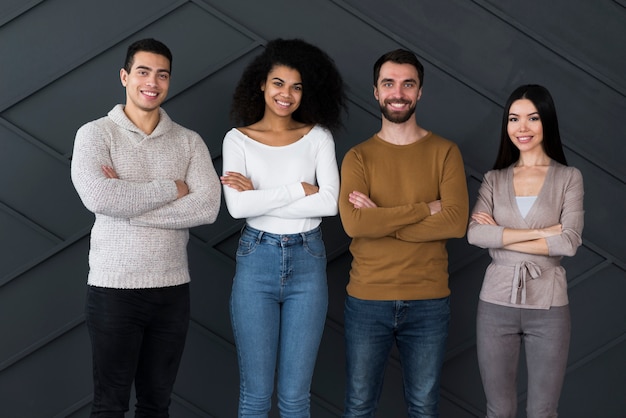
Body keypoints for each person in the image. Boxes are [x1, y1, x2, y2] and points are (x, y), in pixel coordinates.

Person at [70, 38, 221, 417]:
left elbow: (207, 206)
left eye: (162, 74)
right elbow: (98, 197)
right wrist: (173, 188)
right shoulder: (95, 134)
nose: (152, 82)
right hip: (113, 290)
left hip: (172, 292)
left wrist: (128, 203)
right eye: (143, 72)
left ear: (168, 82)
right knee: (110, 405)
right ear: (125, 76)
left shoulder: (189, 142)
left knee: (157, 405)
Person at [339, 49, 469, 417]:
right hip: (367, 300)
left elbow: (456, 222)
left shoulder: (445, 152)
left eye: (408, 84)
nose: (399, 92)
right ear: (376, 92)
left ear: (420, 92)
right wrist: (424, 209)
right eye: (389, 83)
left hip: (428, 301)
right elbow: (355, 224)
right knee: (359, 405)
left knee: (424, 406)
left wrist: (381, 220)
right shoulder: (358, 157)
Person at [220, 38, 346, 417]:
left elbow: (328, 204)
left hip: (308, 260)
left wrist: (263, 193)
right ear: (261, 84)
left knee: (295, 398)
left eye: (296, 86)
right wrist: (297, 190)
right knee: (256, 397)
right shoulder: (238, 139)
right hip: (256, 259)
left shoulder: (319, 137)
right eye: (278, 83)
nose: (286, 94)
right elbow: (238, 207)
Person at [467, 84, 584, 417]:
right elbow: (475, 234)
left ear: (546, 121)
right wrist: (541, 232)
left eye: (532, 118)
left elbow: (569, 241)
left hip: (549, 306)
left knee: (543, 411)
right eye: (514, 119)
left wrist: (501, 235)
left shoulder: (569, 178)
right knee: (498, 410)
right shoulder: (494, 179)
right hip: (494, 304)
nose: (522, 128)